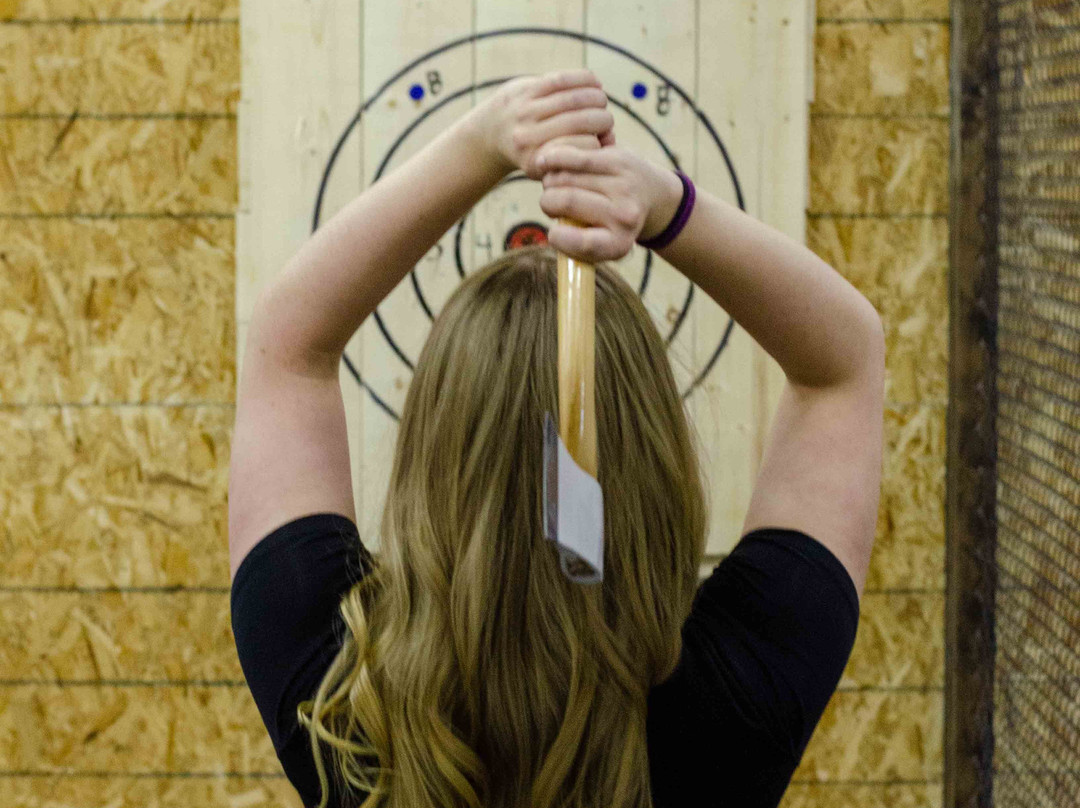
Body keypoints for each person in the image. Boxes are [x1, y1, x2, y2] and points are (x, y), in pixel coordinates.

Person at [228, 69, 884, 808]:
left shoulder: (338, 701)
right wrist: (667, 206)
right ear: (654, 461)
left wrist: (484, 144)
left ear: (433, 456)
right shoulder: (738, 704)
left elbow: (286, 347)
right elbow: (843, 364)